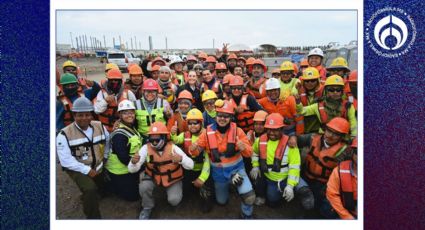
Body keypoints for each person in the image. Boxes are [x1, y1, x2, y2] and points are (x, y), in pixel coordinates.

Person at [189, 100, 256, 219]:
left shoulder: (238, 132)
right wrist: (193, 149)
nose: (222, 118)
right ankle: (230, 185)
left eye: (226, 116)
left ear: (230, 117)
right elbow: (196, 151)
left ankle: (246, 216)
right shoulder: (207, 133)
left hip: (237, 171)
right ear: (216, 116)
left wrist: (243, 147)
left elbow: (249, 153)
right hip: (218, 174)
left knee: (249, 197)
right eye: (220, 115)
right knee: (221, 201)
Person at [56, 97, 109, 219]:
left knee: (105, 188)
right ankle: (93, 218)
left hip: (97, 166)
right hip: (77, 168)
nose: (84, 118)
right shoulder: (64, 134)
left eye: (87, 114)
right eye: (80, 115)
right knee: (90, 189)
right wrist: (87, 171)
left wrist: (105, 156)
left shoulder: (99, 126)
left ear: (91, 114)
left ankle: (98, 192)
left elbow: (108, 141)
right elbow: (66, 161)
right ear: (74, 115)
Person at [128, 122, 194, 219]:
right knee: (144, 187)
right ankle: (147, 207)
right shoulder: (145, 148)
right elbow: (132, 170)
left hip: (172, 178)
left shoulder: (174, 148)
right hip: (153, 176)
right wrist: (133, 163)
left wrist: (181, 159)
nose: (154, 142)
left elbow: (191, 165)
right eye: (152, 139)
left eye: (157, 139)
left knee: (174, 201)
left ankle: (173, 191)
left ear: (164, 137)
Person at [250, 113, 314, 210]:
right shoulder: (259, 141)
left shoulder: (290, 144)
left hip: (286, 177)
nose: (272, 132)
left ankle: (298, 192)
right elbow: (255, 153)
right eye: (269, 129)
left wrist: (290, 185)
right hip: (270, 178)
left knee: (302, 190)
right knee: (272, 202)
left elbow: (295, 167)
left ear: (282, 129)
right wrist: (255, 166)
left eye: (275, 130)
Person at [298, 117, 351, 218]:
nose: (330, 135)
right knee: (305, 203)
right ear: (325, 129)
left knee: (320, 208)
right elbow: (296, 139)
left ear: (342, 136)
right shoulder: (312, 138)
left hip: (324, 185)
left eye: (335, 134)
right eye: (329, 131)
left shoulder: (345, 152)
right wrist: (293, 137)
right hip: (306, 176)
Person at [171, 108, 214, 213]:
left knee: (207, 190)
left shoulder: (208, 137)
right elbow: (176, 141)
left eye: (196, 123)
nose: (192, 126)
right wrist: (173, 134)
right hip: (189, 169)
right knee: (186, 190)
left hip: (205, 170)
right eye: (190, 123)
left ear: (201, 123)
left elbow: (208, 161)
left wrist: (202, 178)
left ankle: (207, 199)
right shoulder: (185, 135)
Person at [105, 100, 142, 201]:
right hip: (120, 170)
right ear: (120, 115)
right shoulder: (119, 135)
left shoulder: (131, 126)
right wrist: (141, 164)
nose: (129, 115)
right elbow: (124, 158)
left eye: (131, 112)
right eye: (125, 113)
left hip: (130, 165)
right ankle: (112, 185)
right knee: (133, 197)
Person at [94, 69, 136, 133]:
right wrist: (105, 101)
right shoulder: (102, 93)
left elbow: (135, 110)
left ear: (121, 81)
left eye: (116, 80)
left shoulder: (128, 93)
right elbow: (97, 110)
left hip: (124, 128)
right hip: (105, 130)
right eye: (111, 80)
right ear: (108, 80)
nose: (114, 82)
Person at [326, 137, 358, 219]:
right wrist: (347, 217)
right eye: (358, 152)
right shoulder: (339, 171)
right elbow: (332, 194)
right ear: (352, 153)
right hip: (348, 215)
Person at [296, 67, 324, 134]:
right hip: (303, 128)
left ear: (317, 81)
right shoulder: (298, 91)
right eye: (307, 81)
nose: (309, 83)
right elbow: (300, 111)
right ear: (303, 82)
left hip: (319, 129)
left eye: (313, 80)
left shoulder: (324, 92)